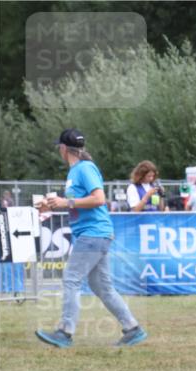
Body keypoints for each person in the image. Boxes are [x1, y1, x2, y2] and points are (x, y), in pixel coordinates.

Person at [35, 129, 147, 348]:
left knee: (71, 278)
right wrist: (52, 204)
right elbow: (78, 203)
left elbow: (98, 199)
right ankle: (132, 328)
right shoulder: (76, 171)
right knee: (102, 287)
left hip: (93, 234)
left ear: (64, 149)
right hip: (96, 234)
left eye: (59, 147)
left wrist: (66, 203)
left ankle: (64, 332)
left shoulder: (84, 169)